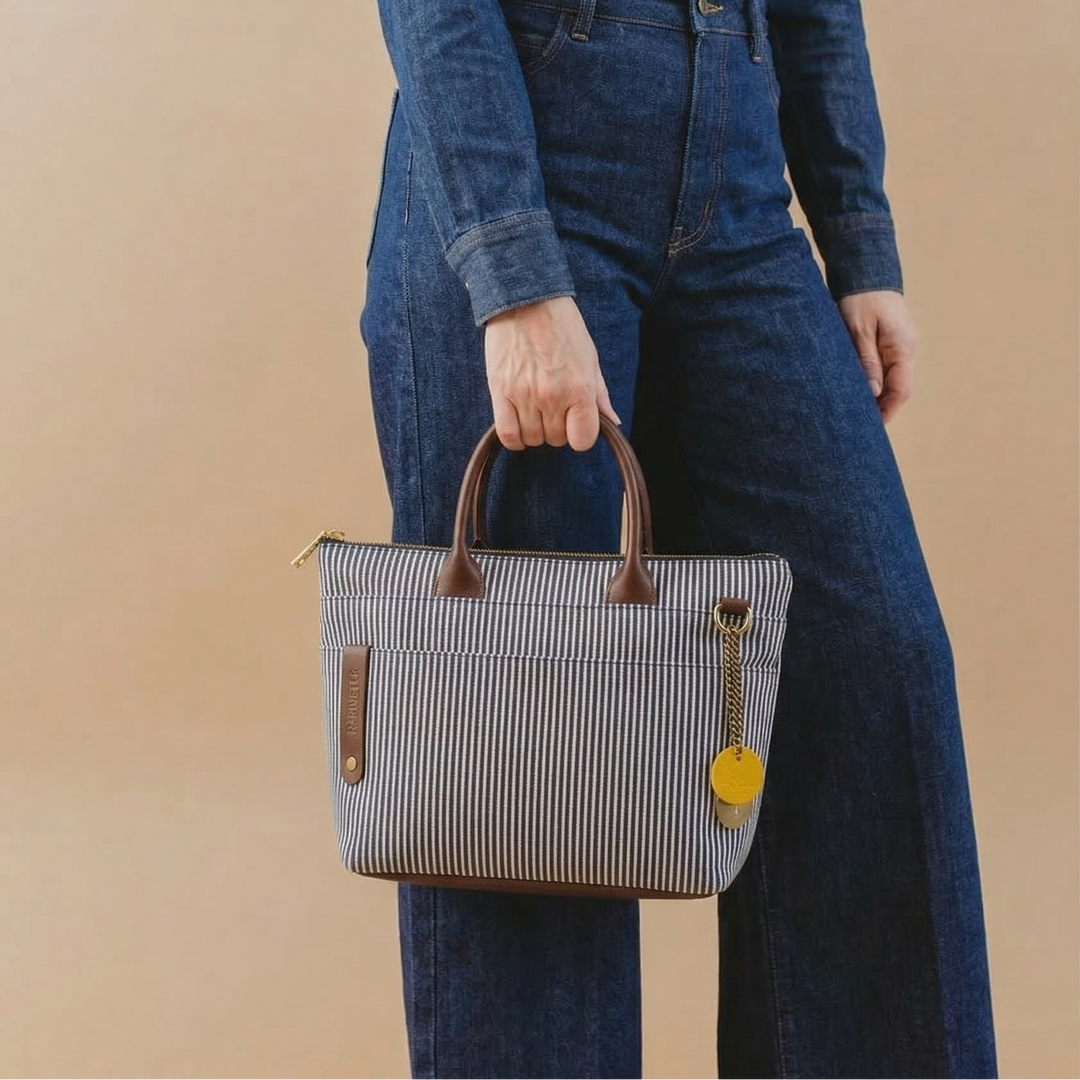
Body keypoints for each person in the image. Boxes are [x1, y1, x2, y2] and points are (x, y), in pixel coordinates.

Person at [359, 0, 999, 1075]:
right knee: (525, 757)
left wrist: (857, 237)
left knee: (874, 663)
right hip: (532, 138)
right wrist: (511, 272)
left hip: (742, 173)